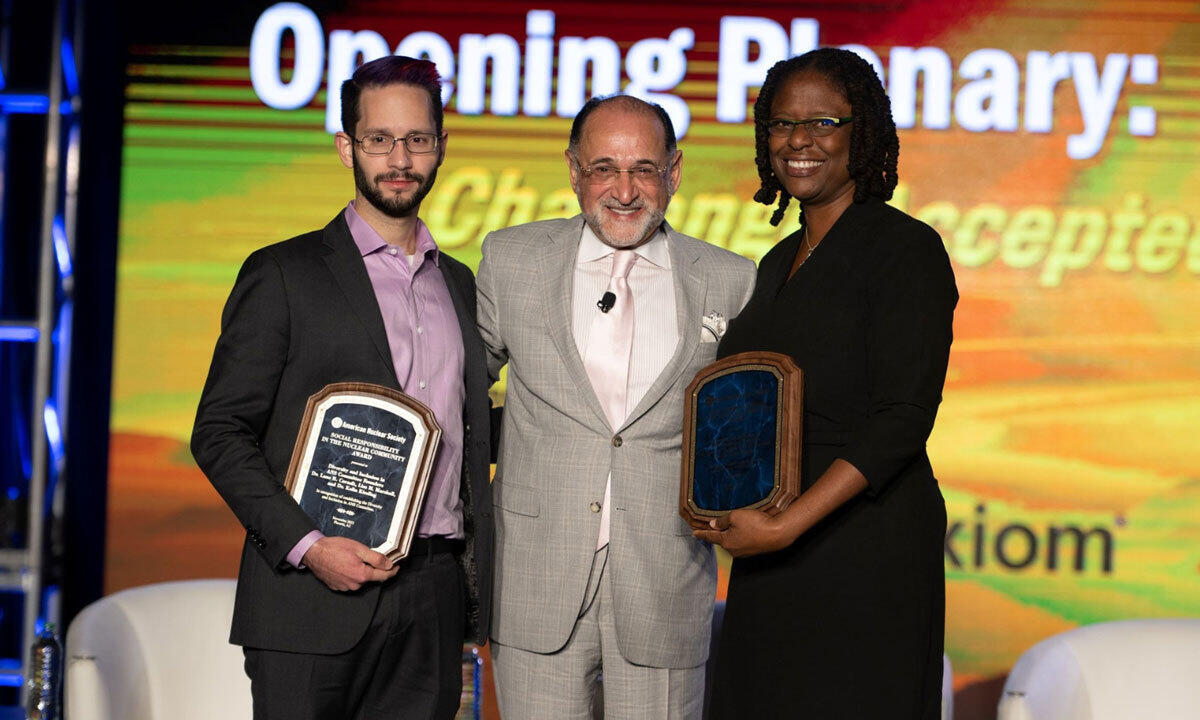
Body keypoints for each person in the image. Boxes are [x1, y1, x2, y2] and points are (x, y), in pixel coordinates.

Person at [190, 56, 493, 720]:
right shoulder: (283, 274)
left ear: (440, 147)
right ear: (346, 146)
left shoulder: (464, 286)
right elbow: (218, 432)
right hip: (310, 598)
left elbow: (474, 437)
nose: (399, 157)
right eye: (378, 138)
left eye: (416, 139)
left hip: (433, 594)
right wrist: (308, 545)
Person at [695, 48, 958, 719]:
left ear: (861, 133)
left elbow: (902, 416)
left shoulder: (905, 250)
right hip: (772, 547)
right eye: (782, 125)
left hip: (864, 546)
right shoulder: (779, 260)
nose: (799, 142)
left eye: (823, 123)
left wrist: (789, 527)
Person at [476, 94, 756, 719]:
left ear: (674, 173)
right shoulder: (511, 259)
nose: (625, 190)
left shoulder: (730, 280)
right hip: (535, 579)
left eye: (645, 169)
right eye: (604, 168)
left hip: (663, 582)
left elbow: (743, 433)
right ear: (574, 171)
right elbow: (458, 391)